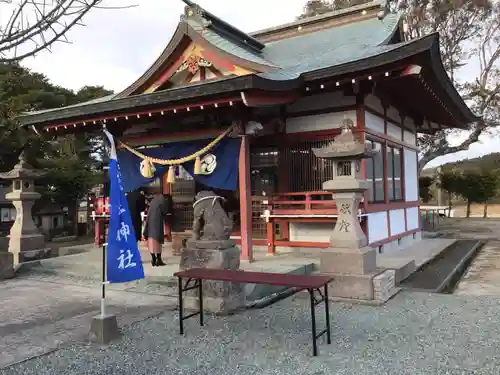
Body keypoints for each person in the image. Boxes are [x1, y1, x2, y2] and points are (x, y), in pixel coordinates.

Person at [143, 194, 174, 267]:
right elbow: (165, 211)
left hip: (150, 221)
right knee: (157, 240)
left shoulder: (154, 200)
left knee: (151, 240)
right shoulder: (163, 200)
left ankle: (153, 259)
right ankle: (159, 260)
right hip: (157, 221)